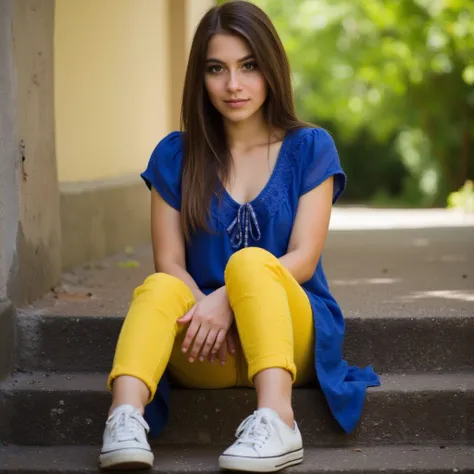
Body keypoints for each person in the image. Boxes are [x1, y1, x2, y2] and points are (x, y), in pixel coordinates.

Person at [98, 1, 380, 472]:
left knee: (252, 262)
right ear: (200, 77)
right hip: (205, 344)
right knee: (159, 287)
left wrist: (226, 299)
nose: (234, 84)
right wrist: (205, 312)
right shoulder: (175, 156)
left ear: (271, 68)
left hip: (289, 336)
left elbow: (303, 259)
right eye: (217, 69)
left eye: (248, 66)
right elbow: (169, 261)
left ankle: (278, 418)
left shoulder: (310, 147)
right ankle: (124, 418)